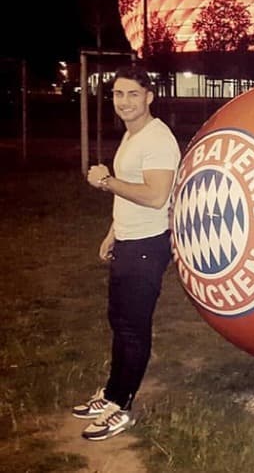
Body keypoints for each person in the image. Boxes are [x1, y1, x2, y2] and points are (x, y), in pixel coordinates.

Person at [74, 65, 181, 441]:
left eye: (133, 94)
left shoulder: (157, 138)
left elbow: (154, 197)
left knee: (133, 328)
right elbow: (132, 192)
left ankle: (122, 407)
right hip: (129, 240)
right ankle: (112, 393)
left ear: (149, 97)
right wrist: (113, 232)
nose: (124, 102)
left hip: (148, 246)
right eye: (118, 95)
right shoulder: (133, 135)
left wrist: (105, 181)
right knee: (119, 321)